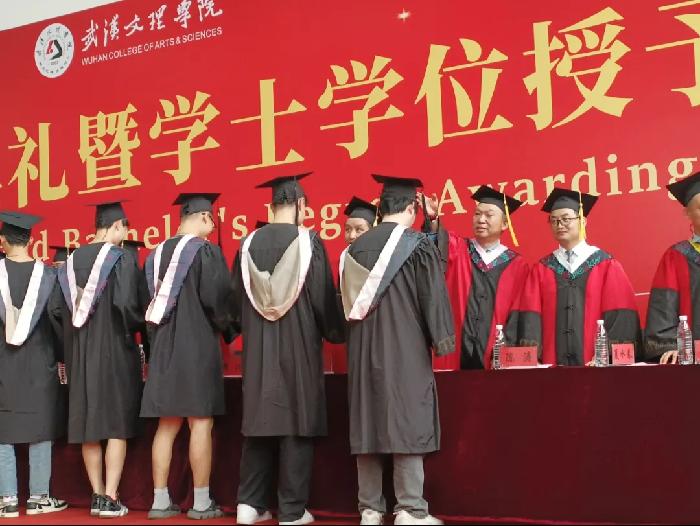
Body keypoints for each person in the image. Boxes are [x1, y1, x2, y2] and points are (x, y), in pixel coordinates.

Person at [340, 174, 455, 526]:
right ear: (410, 208)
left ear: (380, 209)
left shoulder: (351, 250)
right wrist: (443, 338)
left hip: (362, 351)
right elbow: (433, 294)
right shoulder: (416, 245)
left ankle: (369, 509)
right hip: (404, 348)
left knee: (368, 421)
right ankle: (410, 508)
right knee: (406, 418)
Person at [231, 173, 345, 526]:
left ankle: (249, 505)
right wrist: (335, 330)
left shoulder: (247, 244)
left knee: (259, 421)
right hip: (298, 347)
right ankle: (292, 511)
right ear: (300, 206)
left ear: (271, 206)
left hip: (258, 350)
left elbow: (235, 305)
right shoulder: (309, 242)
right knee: (296, 421)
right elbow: (323, 301)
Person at [141, 193, 232, 520]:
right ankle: (202, 502)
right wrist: (231, 328)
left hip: (163, 349)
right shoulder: (205, 251)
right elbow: (217, 301)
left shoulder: (153, 257)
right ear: (205, 217)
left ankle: (159, 501)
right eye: (212, 221)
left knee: (166, 425)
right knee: (200, 423)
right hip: (197, 349)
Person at [57, 201, 144, 518]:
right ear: (117, 226)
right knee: (116, 424)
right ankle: (110, 495)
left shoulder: (70, 262)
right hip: (114, 352)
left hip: (80, 354)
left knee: (88, 425)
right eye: (125, 229)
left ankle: (96, 495)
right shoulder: (122, 258)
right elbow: (127, 306)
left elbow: (59, 313)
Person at [517, 188, 641, 365]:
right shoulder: (542, 269)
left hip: (597, 366)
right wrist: (533, 359)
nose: (560, 224)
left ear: (583, 221)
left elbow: (621, 316)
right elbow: (531, 320)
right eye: (554, 220)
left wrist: (607, 357)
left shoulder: (606, 264)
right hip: (552, 368)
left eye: (566, 219)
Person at [0, 212, 67, 518]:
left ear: (2, 241)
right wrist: (63, 356)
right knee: (41, 427)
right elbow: (58, 322)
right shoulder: (49, 277)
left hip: (3, 364)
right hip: (40, 362)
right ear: (32, 240)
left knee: (2, 429)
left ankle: (7, 500)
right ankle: (39, 498)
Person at [423, 185, 530, 369]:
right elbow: (436, 244)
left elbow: (518, 315)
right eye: (477, 214)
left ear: (505, 224)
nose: (481, 219)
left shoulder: (518, 265)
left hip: (495, 357)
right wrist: (433, 219)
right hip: (454, 352)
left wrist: (509, 355)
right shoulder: (458, 248)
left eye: (489, 215)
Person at [646, 171, 700, 363]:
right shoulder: (676, 256)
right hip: (692, 361)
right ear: (687, 213)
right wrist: (669, 346)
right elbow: (663, 308)